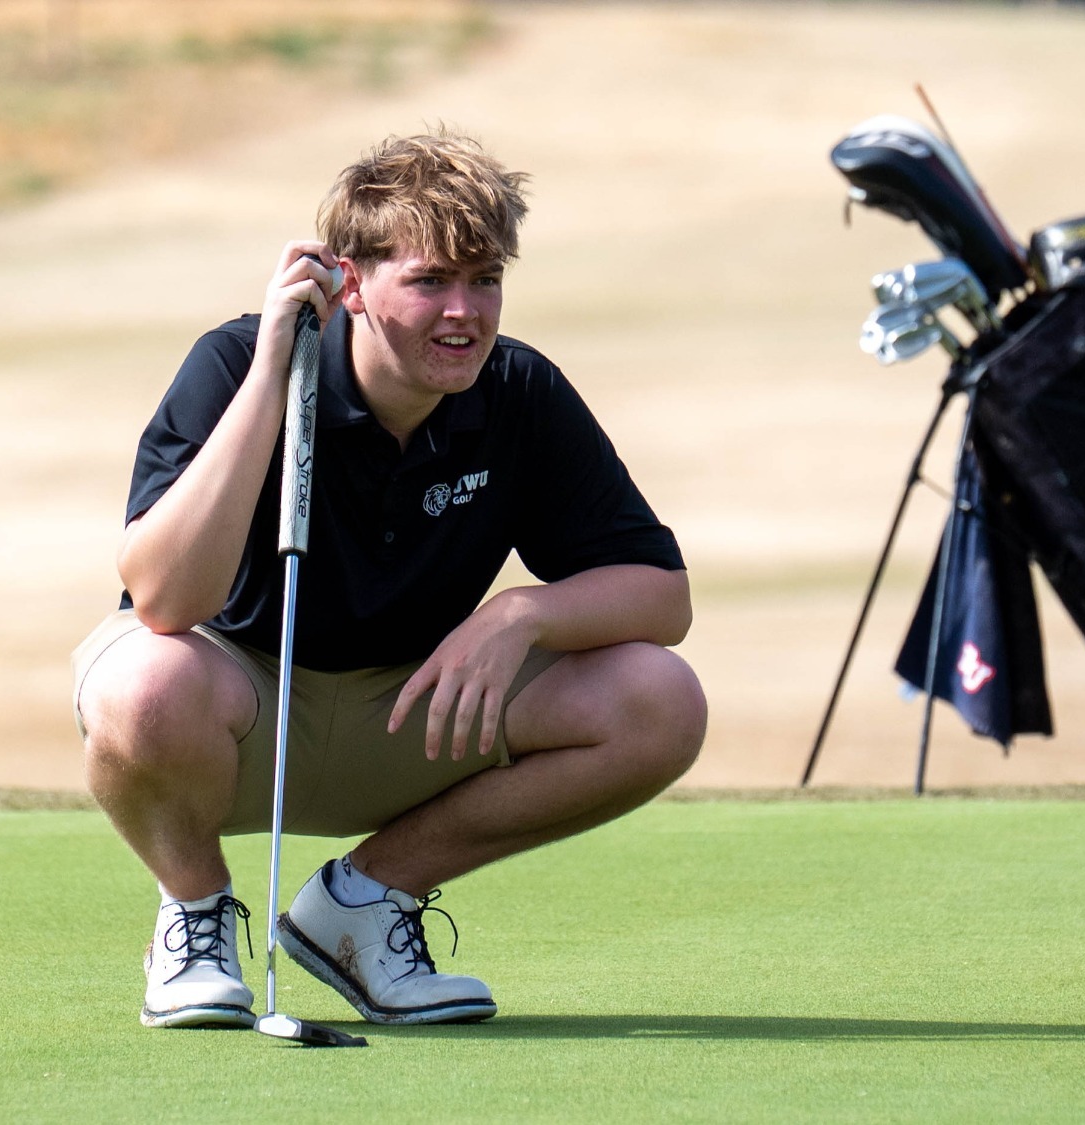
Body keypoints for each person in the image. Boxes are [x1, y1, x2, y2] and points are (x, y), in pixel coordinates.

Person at [72, 131, 707, 1030]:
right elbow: (169, 600)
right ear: (352, 283)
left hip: (410, 714)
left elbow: (662, 596)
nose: (464, 312)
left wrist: (521, 614)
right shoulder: (236, 363)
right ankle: (197, 915)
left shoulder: (518, 392)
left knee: (659, 698)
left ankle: (362, 906)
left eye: (485, 279)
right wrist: (272, 378)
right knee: (142, 683)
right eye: (430, 280)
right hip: (239, 710)